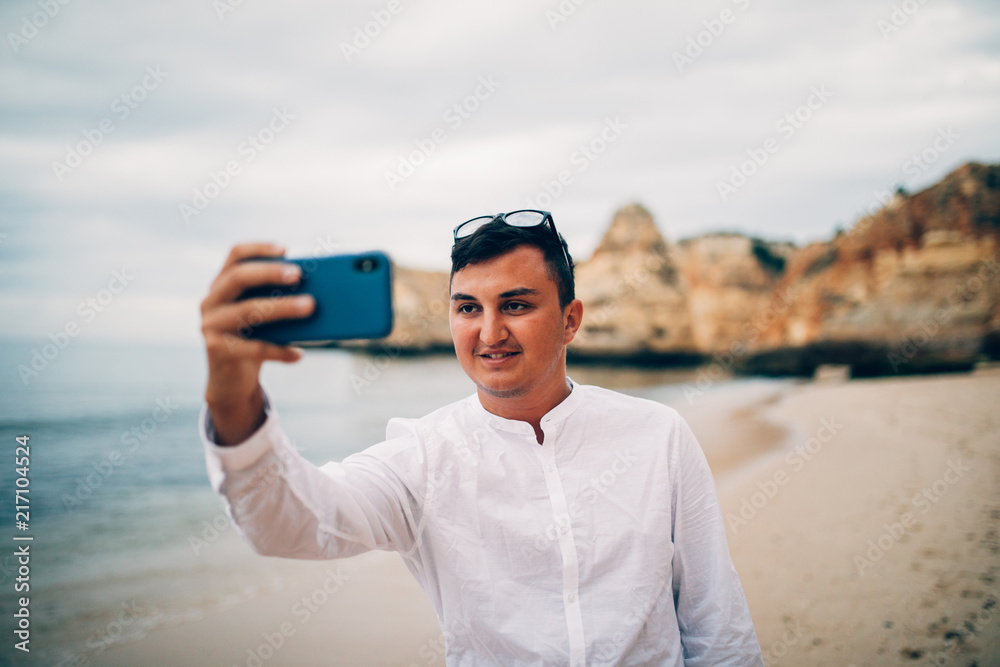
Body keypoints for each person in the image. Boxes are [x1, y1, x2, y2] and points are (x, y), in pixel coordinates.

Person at [198, 210, 763, 665]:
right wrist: (232, 397)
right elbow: (293, 524)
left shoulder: (657, 434)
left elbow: (716, 618)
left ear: (570, 319)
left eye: (515, 305)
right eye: (468, 308)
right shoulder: (421, 456)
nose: (489, 333)